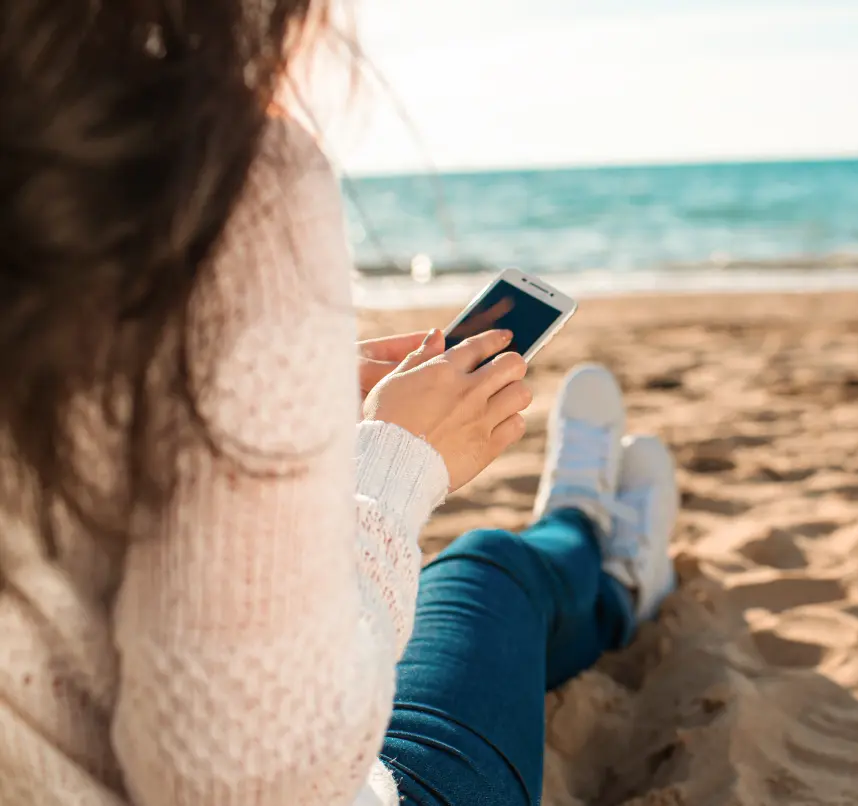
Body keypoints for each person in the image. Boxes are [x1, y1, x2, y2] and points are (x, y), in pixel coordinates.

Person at [0, 3, 678, 805]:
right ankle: (610, 560)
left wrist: (262, 398)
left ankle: (593, 547)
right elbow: (245, 778)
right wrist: (397, 462)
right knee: (486, 565)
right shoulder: (206, 178)